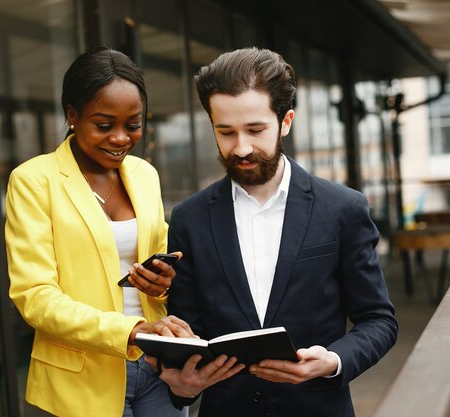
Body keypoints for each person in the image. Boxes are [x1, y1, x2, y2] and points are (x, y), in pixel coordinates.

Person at [161, 47, 399, 417]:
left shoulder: (342, 208)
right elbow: (187, 332)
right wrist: (182, 387)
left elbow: (379, 321)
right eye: (225, 132)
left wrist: (332, 360)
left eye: (255, 130)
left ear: (286, 121)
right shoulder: (188, 218)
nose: (240, 148)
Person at [4, 47, 239, 417]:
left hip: (156, 366)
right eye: (103, 125)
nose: (120, 138)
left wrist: (161, 281)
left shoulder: (144, 175)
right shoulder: (34, 181)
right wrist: (131, 330)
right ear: (72, 115)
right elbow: (35, 296)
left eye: (133, 124)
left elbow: (158, 263)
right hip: (81, 378)